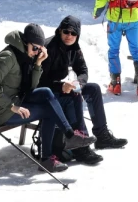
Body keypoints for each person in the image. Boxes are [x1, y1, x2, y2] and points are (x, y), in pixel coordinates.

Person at [0, 23, 94, 172]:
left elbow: (31, 88)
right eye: (35, 48)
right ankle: (51, 154)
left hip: (17, 100)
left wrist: (38, 64)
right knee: (49, 111)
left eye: (40, 49)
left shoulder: (26, 55)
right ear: (25, 42)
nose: (36, 52)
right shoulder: (7, 57)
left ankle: (67, 138)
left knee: (47, 92)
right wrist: (12, 106)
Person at [38, 16, 128, 164]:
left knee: (93, 89)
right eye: (66, 32)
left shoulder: (74, 48)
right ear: (60, 31)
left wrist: (78, 82)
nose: (69, 36)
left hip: (62, 87)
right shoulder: (49, 48)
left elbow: (83, 69)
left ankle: (102, 135)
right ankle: (81, 147)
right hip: (47, 92)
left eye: (74, 34)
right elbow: (40, 81)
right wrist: (62, 86)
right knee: (73, 96)